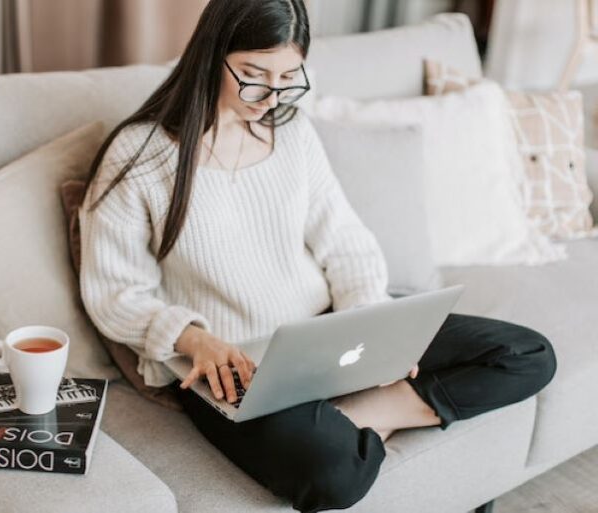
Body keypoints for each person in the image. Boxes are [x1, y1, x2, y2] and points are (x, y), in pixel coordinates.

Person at [78, 1, 558, 511]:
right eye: (253, 75)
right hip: (232, 364)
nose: (271, 96)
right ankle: (354, 420)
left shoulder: (292, 132)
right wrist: (194, 339)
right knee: (333, 475)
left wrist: (371, 330)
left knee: (528, 354)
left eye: (289, 76)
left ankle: (360, 412)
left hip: (329, 334)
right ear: (210, 55)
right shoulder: (140, 155)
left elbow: (345, 242)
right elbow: (114, 291)